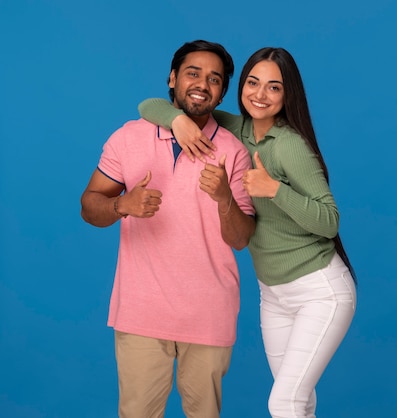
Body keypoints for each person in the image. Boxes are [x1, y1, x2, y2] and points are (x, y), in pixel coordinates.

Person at [138, 47, 357, 418]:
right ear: (240, 87)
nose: (260, 94)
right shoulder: (236, 129)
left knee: (284, 403)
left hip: (320, 291)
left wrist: (275, 190)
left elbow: (329, 220)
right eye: (253, 83)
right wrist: (178, 121)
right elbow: (149, 105)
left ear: (288, 95)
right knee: (300, 403)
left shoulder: (290, 146)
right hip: (273, 294)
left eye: (274, 87)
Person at [80, 40, 256, 418]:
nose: (202, 84)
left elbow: (241, 239)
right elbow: (89, 205)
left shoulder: (234, 150)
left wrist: (225, 197)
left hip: (209, 314)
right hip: (141, 312)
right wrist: (120, 205)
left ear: (222, 92)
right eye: (193, 73)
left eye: (214, 79)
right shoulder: (128, 137)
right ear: (172, 78)